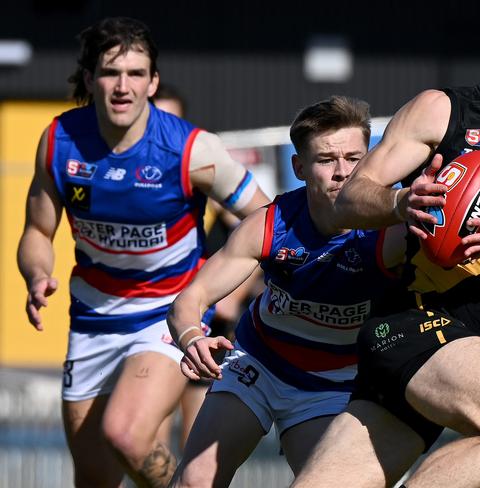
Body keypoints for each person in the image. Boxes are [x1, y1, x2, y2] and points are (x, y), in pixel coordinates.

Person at [292, 1, 480, 487]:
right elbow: (350, 197)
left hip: (463, 347)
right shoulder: (442, 109)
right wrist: (399, 204)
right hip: (409, 321)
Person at [17, 17, 268, 487]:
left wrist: (233, 287)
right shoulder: (58, 141)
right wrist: (36, 274)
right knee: (93, 478)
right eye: (111, 73)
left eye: (136, 74)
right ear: (90, 79)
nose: (122, 86)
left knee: (126, 434)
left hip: (169, 310)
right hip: (92, 316)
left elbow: (266, 221)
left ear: (152, 82)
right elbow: (36, 229)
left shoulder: (192, 150)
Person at [166, 96, 404, 487]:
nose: (342, 172)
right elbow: (188, 301)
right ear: (299, 167)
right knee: (194, 481)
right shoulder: (269, 224)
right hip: (258, 365)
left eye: (354, 158)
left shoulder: (392, 229)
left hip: (333, 385)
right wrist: (192, 337)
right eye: (327, 159)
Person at [151, 83, 260, 451]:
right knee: (148, 434)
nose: (161, 126)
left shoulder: (201, 168)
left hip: (206, 314)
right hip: (155, 312)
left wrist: (233, 297)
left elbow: (259, 234)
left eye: (171, 118)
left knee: (194, 428)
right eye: (156, 116)